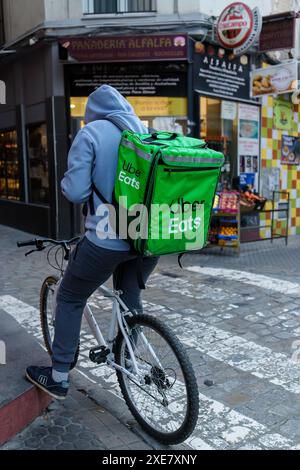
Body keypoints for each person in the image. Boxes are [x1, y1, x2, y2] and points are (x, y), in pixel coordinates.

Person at [25, 85, 159, 399]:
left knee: (71, 297)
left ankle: (58, 376)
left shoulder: (92, 133)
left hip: (106, 239)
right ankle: (126, 357)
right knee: (130, 300)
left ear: (92, 111)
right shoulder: (144, 131)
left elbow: (75, 193)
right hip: (146, 238)